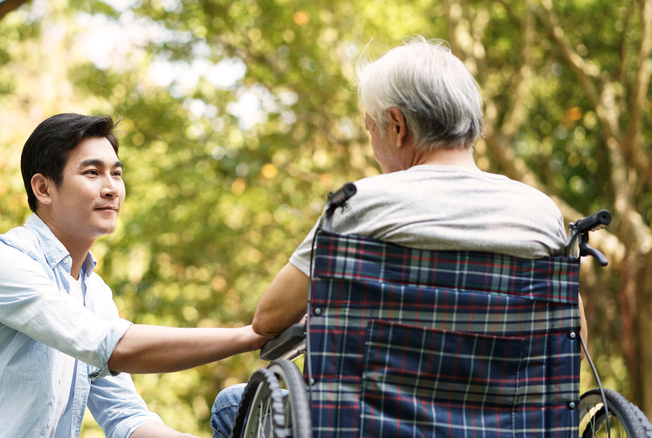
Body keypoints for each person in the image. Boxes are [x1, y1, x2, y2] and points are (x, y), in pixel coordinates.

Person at [210, 36, 588, 437]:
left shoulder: (360, 206)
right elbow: (572, 337)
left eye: (370, 129)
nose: (373, 145)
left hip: (367, 427)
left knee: (230, 404)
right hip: (508, 428)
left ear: (397, 125)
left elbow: (268, 320)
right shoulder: (540, 213)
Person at [0, 113, 267, 438]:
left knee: (233, 407)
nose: (111, 188)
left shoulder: (94, 294)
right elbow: (111, 347)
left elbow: (126, 418)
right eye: (92, 172)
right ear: (43, 188)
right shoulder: (1, 262)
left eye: (116, 174)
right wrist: (249, 336)